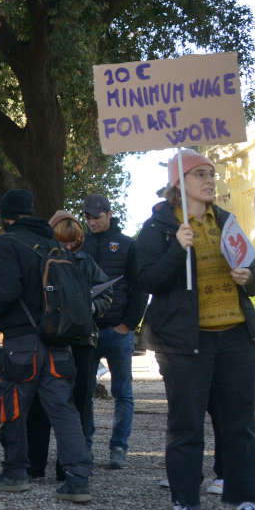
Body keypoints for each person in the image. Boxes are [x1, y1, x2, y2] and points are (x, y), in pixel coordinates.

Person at [136, 149, 255, 510]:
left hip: (235, 337)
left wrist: (250, 279)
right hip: (183, 343)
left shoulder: (228, 222)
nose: (211, 180)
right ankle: (184, 504)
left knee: (238, 424)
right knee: (185, 426)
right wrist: (178, 248)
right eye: (200, 175)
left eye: (212, 174)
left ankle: (246, 501)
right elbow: (149, 281)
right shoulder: (158, 228)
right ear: (179, 184)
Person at [0, 189, 92, 504]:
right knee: (63, 409)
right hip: (58, 342)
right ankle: (78, 479)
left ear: (6, 217)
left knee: (12, 406)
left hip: (22, 343)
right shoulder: (55, 245)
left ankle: (15, 473)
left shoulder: (8, 243)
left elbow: (5, 291)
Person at [23, 212, 111, 483]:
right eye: (64, 241)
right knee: (42, 404)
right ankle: (38, 464)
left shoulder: (85, 262)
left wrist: (90, 308)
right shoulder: (41, 259)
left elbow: (107, 294)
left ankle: (70, 467)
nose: (69, 247)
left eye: (73, 242)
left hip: (79, 342)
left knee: (78, 403)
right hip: (55, 340)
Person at [80, 194, 144, 470]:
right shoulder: (79, 244)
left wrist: (128, 324)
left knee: (123, 392)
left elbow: (140, 288)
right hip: (85, 331)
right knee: (82, 392)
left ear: (109, 214)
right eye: (88, 217)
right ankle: (85, 446)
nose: (92, 221)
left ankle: (118, 447)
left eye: (96, 216)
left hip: (117, 329)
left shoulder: (129, 245)